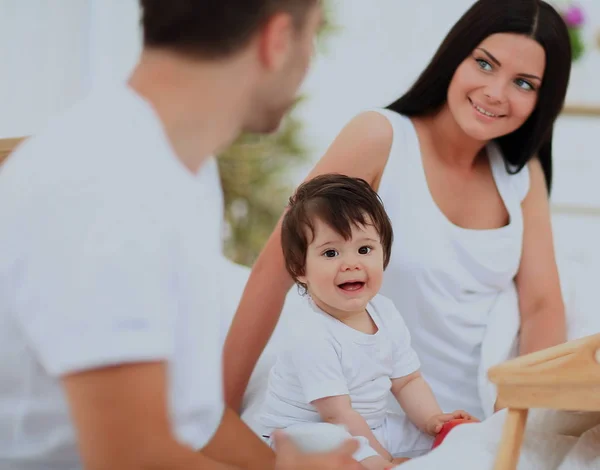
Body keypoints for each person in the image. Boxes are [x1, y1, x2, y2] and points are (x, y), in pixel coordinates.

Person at [0, 1, 363, 469]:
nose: (310, 61)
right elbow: (129, 459)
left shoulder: (181, 167)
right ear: (276, 40)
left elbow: (195, 420)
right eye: (310, 36)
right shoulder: (107, 184)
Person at [224, 0, 571, 422]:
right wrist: (220, 413)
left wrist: (513, 421)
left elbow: (542, 307)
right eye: (484, 64)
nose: (495, 93)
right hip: (363, 418)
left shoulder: (521, 176)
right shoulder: (380, 139)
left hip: (475, 420)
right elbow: (275, 268)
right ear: (455, 57)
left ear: (543, 99)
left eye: (524, 83)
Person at [258, 174, 477, 470]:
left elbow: (407, 380)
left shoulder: (384, 312)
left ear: (383, 253)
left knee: (451, 439)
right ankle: (384, 464)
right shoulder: (309, 331)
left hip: (371, 426)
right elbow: (337, 415)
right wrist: (381, 457)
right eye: (331, 252)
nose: (351, 263)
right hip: (306, 432)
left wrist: (431, 420)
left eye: (364, 249)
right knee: (331, 444)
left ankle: (424, 453)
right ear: (300, 268)